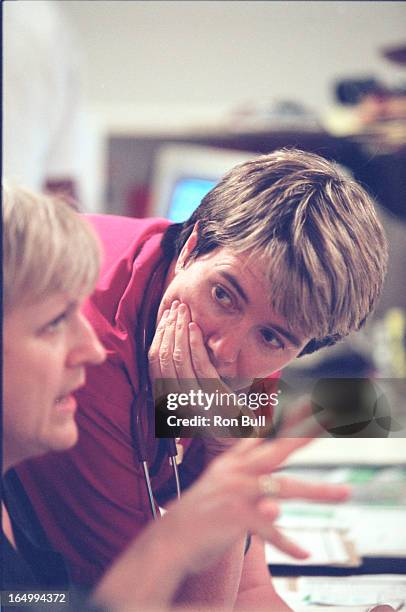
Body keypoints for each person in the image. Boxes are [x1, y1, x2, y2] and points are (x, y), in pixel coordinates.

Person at [14, 148, 389, 609]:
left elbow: (248, 591)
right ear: (192, 246)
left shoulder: (255, 343)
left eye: (272, 338)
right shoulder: (88, 350)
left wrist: (223, 446)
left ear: (299, 350)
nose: (223, 350)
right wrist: (222, 452)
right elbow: (170, 604)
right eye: (222, 296)